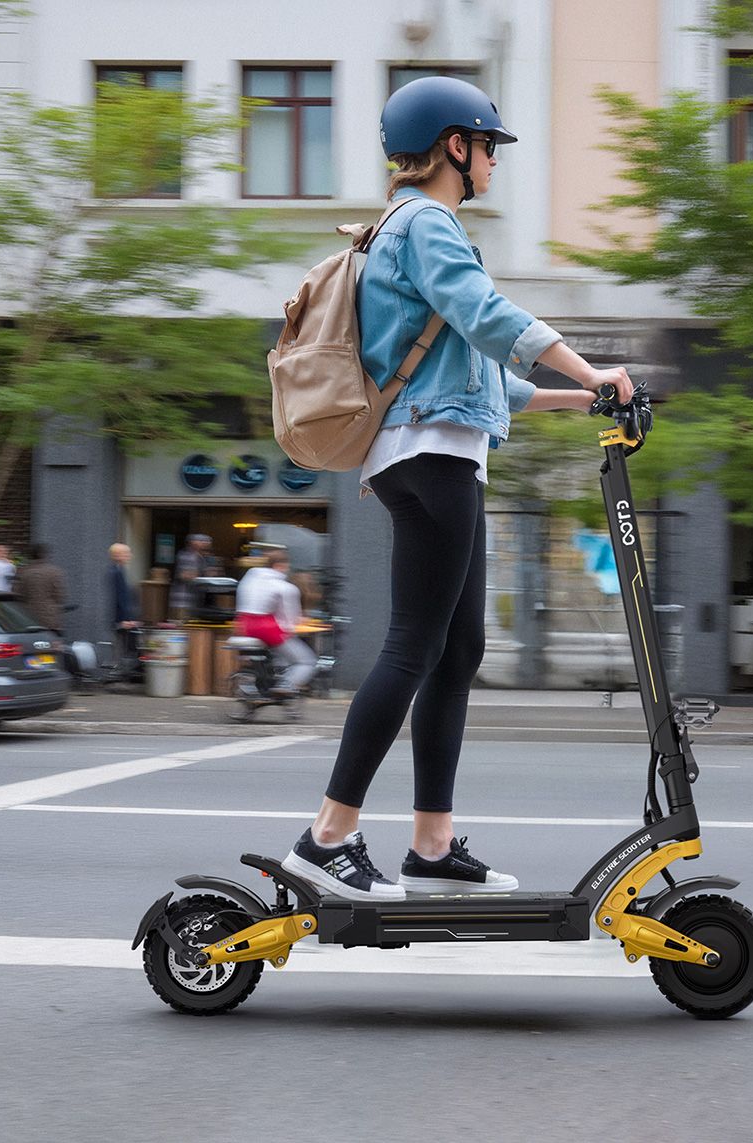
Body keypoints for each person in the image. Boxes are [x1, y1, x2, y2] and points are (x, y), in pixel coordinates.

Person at [282, 76, 635, 904]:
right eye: (487, 146)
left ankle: (432, 845)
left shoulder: (402, 232)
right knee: (414, 643)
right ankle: (326, 837)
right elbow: (486, 314)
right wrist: (589, 365)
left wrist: (583, 397)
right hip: (431, 454)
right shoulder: (425, 223)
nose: (493, 162)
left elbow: (482, 376)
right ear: (454, 146)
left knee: (457, 646)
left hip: (436, 449)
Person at [235, 547, 317, 696]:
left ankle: (267, 681)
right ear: (280, 565)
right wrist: (298, 623)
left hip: (245, 624)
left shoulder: (250, 576)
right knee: (306, 661)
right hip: (265, 628)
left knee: (280, 654)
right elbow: (289, 618)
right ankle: (286, 686)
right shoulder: (285, 587)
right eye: (286, 566)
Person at [14, 543, 67, 632]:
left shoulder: (22, 572)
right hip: (49, 615)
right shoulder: (54, 572)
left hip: (27, 615)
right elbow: (60, 596)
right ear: (44, 555)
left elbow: (17, 594)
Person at [108, 542, 140, 667]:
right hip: (120, 618)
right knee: (124, 650)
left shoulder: (119, 570)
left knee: (123, 648)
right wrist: (125, 619)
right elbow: (119, 597)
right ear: (118, 555)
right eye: (126, 553)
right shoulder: (116, 572)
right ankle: (119, 672)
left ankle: (120, 671)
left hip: (121, 617)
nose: (129, 556)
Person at [169, 533, 213, 619]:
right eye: (203, 541)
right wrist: (202, 575)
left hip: (193, 601)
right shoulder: (186, 556)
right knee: (181, 623)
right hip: (182, 601)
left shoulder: (201, 557)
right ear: (193, 543)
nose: (206, 544)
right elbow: (184, 575)